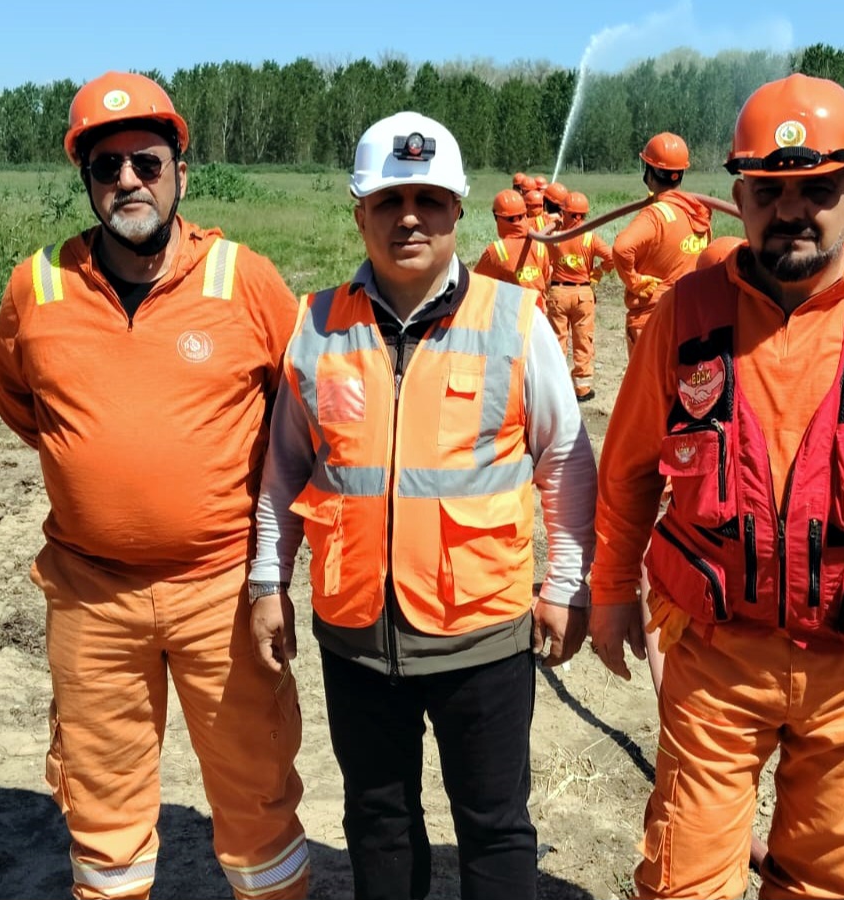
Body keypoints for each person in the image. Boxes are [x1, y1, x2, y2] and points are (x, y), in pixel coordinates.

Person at [587, 74, 844, 899]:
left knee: (820, 879)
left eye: (816, 190)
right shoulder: (686, 314)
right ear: (739, 196)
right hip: (715, 657)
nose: (792, 210)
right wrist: (608, 592)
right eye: (769, 191)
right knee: (680, 879)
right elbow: (628, 468)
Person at [248, 111, 597, 900]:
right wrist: (268, 582)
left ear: (457, 211)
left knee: (494, 824)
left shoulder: (514, 321)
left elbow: (567, 464)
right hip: (355, 634)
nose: (409, 218)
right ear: (360, 213)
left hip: (483, 634)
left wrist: (567, 585)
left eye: (429, 200)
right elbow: (284, 469)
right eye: (390, 201)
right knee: (377, 819)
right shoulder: (315, 325)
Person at [0, 71, 308, 900]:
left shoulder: (244, 279)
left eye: (147, 162)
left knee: (256, 791)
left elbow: (300, 417)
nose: (128, 180)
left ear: (180, 174)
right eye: (106, 166)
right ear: (86, 180)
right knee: (101, 810)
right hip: (92, 598)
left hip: (222, 592)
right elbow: (23, 407)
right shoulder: (37, 288)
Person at [612, 132, 710, 355]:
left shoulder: (656, 215)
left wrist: (635, 281)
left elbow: (621, 248)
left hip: (653, 318)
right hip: (689, 317)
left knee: (646, 379)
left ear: (650, 174)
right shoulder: (698, 213)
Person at [545, 190, 612, 402]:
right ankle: (582, 389)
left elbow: (537, 236)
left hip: (558, 294)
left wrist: (554, 223)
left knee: (557, 341)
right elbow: (612, 257)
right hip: (583, 294)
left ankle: (556, 388)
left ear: (565, 213)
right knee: (583, 341)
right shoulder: (590, 238)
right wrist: (597, 273)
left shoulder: (555, 237)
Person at [475, 188, 552, 298]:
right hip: (538, 307)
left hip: (513, 308)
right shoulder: (540, 246)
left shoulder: (495, 251)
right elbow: (546, 278)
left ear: (498, 218)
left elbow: (477, 284)